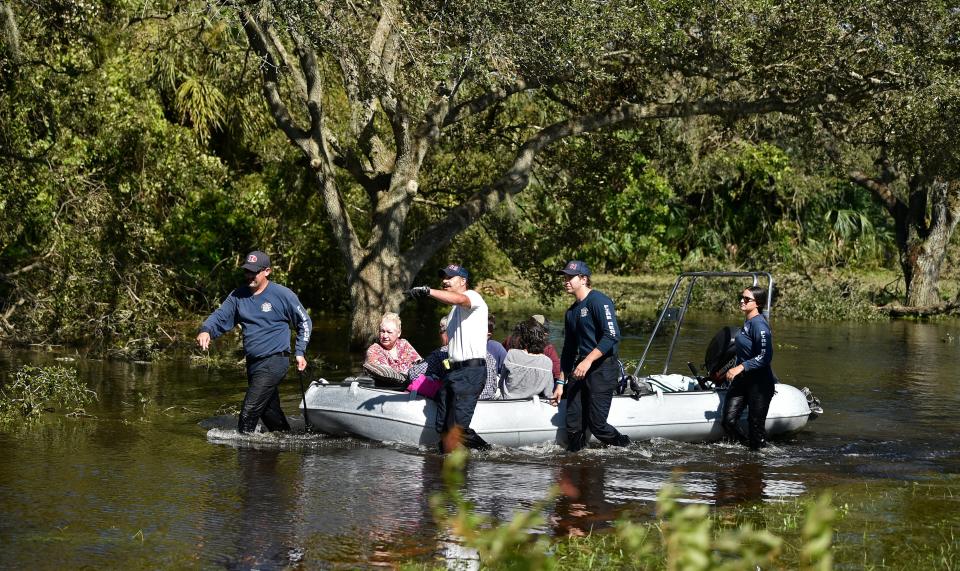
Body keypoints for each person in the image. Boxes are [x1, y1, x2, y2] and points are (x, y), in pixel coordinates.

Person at [196, 250, 312, 434]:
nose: (249, 276)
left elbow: (304, 321)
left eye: (254, 272)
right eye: (246, 271)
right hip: (254, 363)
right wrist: (206, 330)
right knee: (269, 412)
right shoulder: (238, 296)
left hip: (275, 360)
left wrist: (299, 351)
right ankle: (286, 440)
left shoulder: (283, 295)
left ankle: (244, 450)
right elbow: (221, 316)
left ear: (267, 271)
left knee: (249, 411)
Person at [407, 263, 490, 451]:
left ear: (463, 281)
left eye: (449, 277)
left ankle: (491, 454)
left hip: (471, 372)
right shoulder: (453, 313)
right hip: (453, 373)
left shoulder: (473, 297)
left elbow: (458, 299)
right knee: (443, 429)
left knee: (458, 431)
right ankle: (442, 473)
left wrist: (428, 291)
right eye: (443, 277)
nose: (444, 281)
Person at [557, 260, 630, 452]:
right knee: (573, 427)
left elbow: (612, 336)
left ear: (583, 279)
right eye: (564, 277)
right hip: (581, 369)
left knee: (598, 425)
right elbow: (569, 348)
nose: (566, 281)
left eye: (570, 277)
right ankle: (578, 462)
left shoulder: (599, 301)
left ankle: (628, 448)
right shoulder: (571, 312)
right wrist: (560, 381)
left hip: (603, 367)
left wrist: (588, 360)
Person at [721, 285, 776, 450]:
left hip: (760, 384)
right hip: (742, 382)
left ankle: (758, 458)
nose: (742, 301)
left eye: (746, 299)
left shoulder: (760, 326)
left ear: (757, 303)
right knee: (728, 422)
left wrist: (740, 367)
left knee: (756, 427)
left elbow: (765, 357)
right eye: (742, 297)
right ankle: (746, 454)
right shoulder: (748, 322)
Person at [499, 318, 563, 404]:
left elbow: (501, 383)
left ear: (523, 337)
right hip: (532, 405)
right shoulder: (547, 362)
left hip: (508, 402)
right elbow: (548, 393)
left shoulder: (511, 354)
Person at [504, 314, 563, 384]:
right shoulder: (547, 347)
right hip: (536, 388)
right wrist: (560, 383)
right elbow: (557, 372)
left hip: (510, 383)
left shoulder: (510, 339)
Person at [364, 312, 422, 383]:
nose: (385, 336)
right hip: (385, 388)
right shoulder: (374, 350)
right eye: (382, 331)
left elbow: (419, 365)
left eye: (389, 332)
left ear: (399, 333)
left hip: (409, 387)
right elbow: (384, 374)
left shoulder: (404, 344)